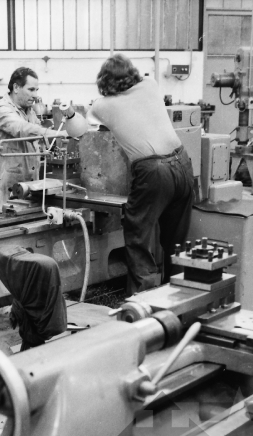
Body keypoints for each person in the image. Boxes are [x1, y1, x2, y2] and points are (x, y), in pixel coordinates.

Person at [87, 54, 194, 294]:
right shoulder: (150, 84)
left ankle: (143, 300)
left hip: (153, 172)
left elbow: (85, 127)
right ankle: (180, 295)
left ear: (104, 81)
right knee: (176, 240)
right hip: (183, 162)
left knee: (138, 236)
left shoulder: (101, 106)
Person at [0, 67, 68, 214]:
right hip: (8, 188)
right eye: (31, 89)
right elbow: (22, 128)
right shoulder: (1, 109)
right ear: (16, 87)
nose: (35, 95)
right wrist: (55, 134)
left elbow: (37, 133)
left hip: (30, 185)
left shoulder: (29, 111)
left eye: (36, 90)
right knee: (6, 222)